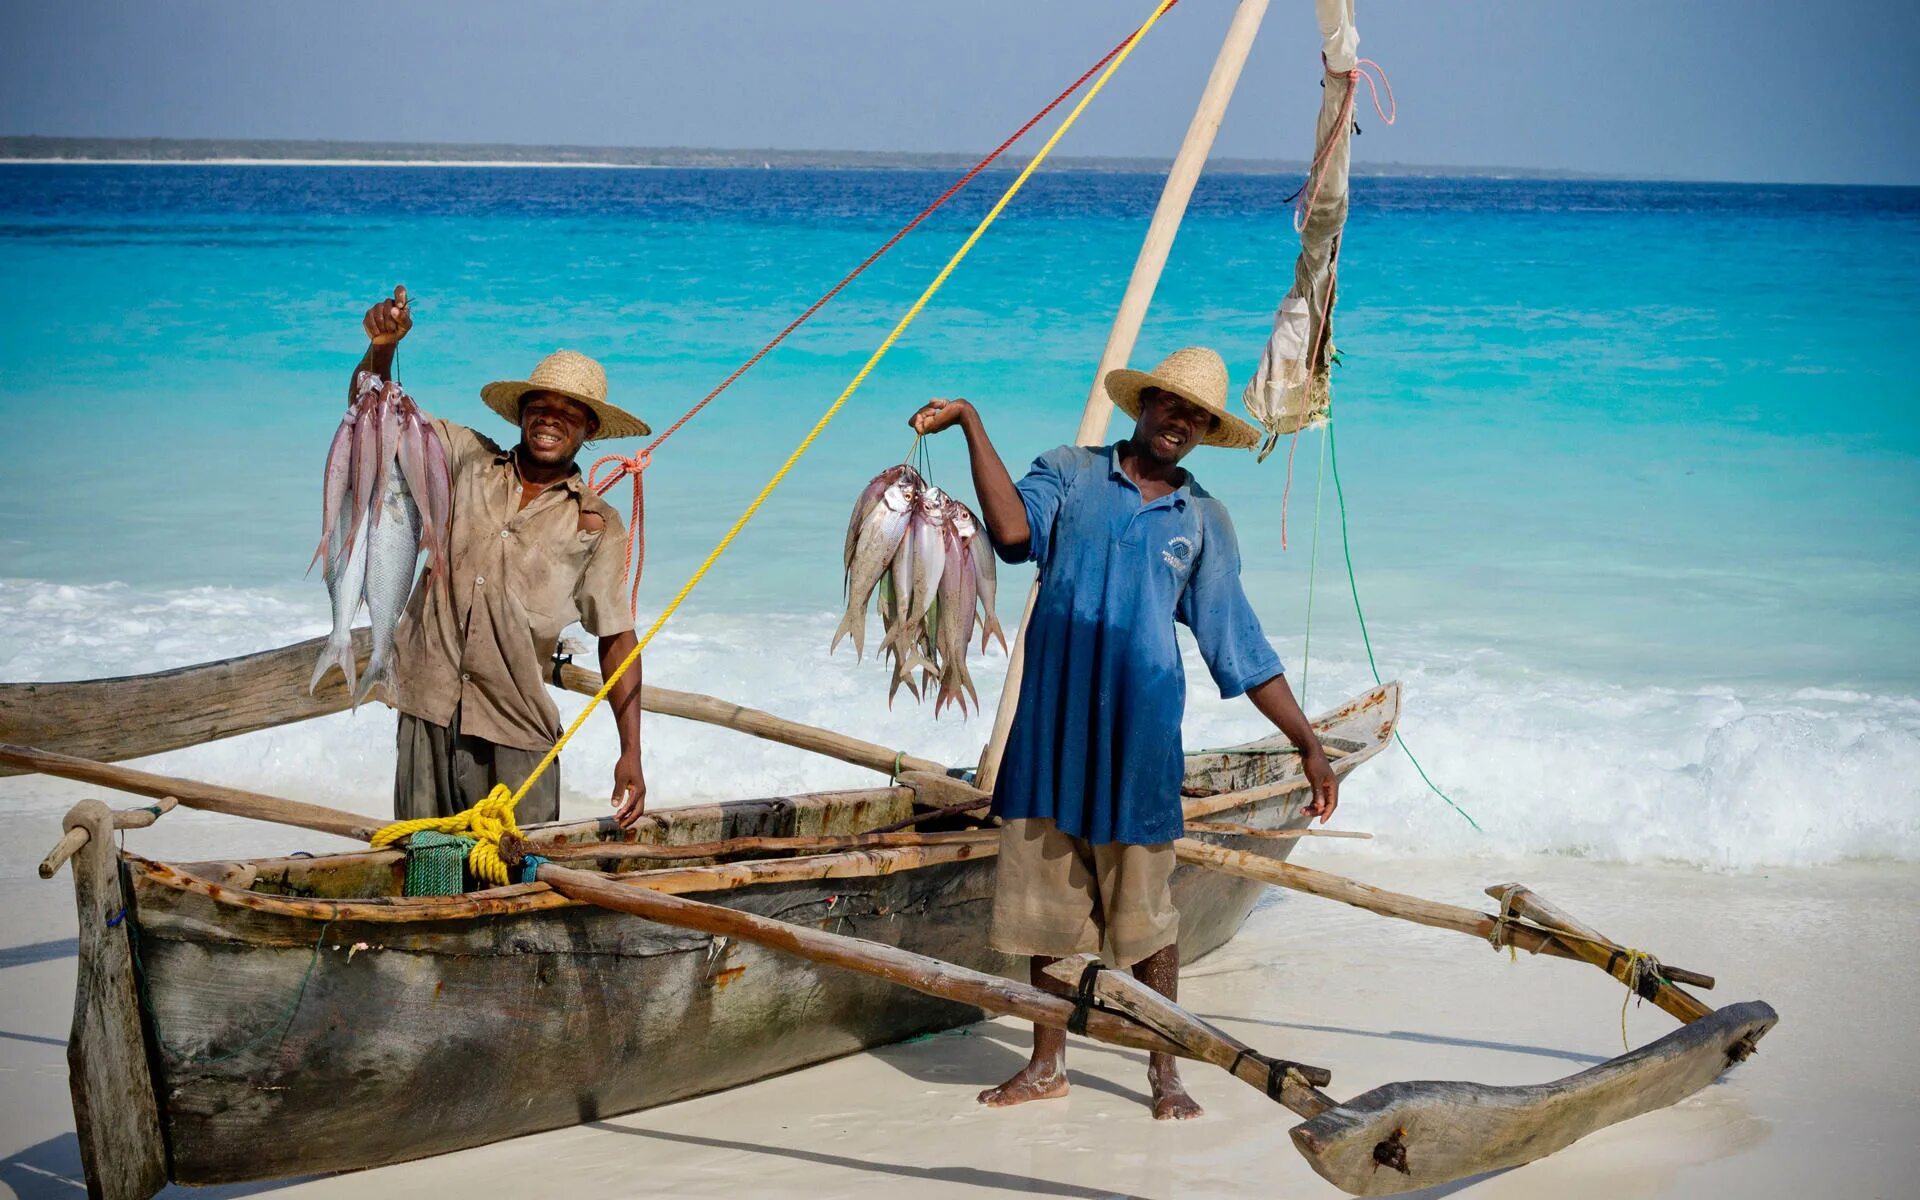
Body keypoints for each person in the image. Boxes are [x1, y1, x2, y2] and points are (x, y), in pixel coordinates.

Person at [908, 345, 1340, 1120]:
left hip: (1140, 744)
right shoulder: (1070, 473)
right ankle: (1047, 1064)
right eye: (1172, 406)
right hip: (1049, 734)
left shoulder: (1201, 519)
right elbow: (1009, 536)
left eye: (1200, 417)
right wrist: (972, 421)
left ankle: (1165, 1070)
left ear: (1208, 432)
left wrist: (1307, 741)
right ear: (1142, 406)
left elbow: (1235, 641)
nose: (1182, 423)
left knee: (1149, 921)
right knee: (1046, 913)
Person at [355, 285, 650, 828]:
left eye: (569, 413)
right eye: (539, 407)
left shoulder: (598, 523)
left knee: (514, 890)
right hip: (426, 706)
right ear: (520, 414)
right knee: (427, 881)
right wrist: (382, 348)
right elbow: (372, 414)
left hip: (516, 731)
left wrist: (630, 751)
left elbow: (616, 636)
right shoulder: (465, 458)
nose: (549, 420)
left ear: (588, 430)